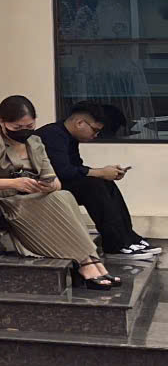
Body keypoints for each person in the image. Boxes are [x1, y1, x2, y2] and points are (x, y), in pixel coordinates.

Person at [0, 97, 122, 289]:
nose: (24, 131)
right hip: (8, 201)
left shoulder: (35, 141)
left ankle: (90, 260)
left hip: (34, 197)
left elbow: (54, 180)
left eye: (29, 126)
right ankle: (87, 262)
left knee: (63, 195)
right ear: (2, 122)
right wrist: (14, 183)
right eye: (17, 127)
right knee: (57, 199)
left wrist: (48, 185)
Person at [36, 102, 156, 260]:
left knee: (105, 182)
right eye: (95, 130)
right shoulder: (53, 134)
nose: (96, 135)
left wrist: (105, 173)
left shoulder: (70, 137)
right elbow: (63, 171)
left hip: (60, 182)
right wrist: (100, 172)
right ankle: (115, 244)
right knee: (94, 184)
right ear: (80, 123)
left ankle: (128, 236)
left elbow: (76, 168)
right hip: (45, 185)